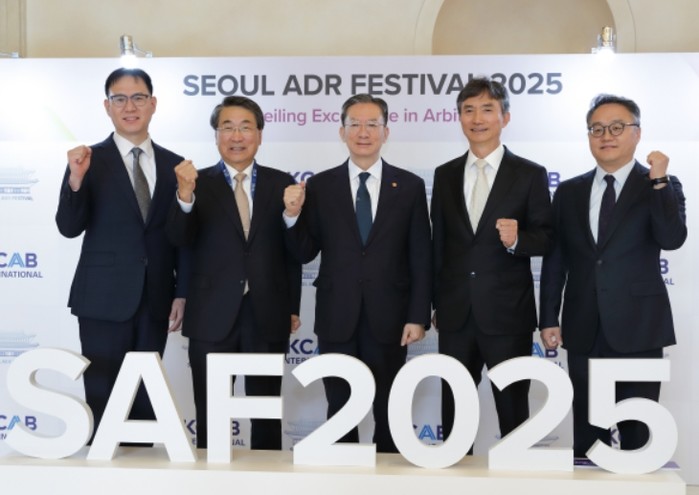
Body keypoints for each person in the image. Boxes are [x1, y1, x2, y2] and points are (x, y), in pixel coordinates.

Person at [539, 94, 687, 458]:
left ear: (637, 133)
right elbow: (556, 260)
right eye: (597, 129)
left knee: (637, 435)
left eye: (617, 127)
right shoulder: (569, 191)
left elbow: (672, 238)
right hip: (584, 327)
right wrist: (548, 318)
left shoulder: (661, 185)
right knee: (589, 436)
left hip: (639, 327)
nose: (606, 135)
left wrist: (658, 181)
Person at [283, 94, 431, 453]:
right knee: (340, 409)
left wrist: (417, 316)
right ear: (342, 131)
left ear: (386, 132)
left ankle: (390, 475)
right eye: (355, 124)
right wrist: (291, 216)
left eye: (372, 124)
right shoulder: (321, 186)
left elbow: (420, 256)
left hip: (390, 318)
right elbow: (304, 251)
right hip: (337, 317)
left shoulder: (409, 186)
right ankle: (342, 474)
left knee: (389, 409)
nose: (363, 132)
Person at [56, 67, 189, 442]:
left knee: (146, 397)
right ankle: (102, 468)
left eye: (138, 98)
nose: (130, 107)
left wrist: (181, 292)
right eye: (120, 99)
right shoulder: (86, 160)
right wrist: (76, 179)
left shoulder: (175, 165)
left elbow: (182, 237)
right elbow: (69, 226)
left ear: (153, 104)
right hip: (102, 299)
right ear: (107, 106)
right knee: (103, 395)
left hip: (155, 298)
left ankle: (141, 468)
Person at [166, 95, 301, 450]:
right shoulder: (195, 183)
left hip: (266, 313)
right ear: (216, 135)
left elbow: (294, 254)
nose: (237, 136)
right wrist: (184, 196)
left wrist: (292, 307)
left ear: (259, 135)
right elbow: (178, 239)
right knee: (211, 413)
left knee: (266, 416)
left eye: (245, 127)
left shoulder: (281, 183)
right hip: (210, 314)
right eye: (228, 127)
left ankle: (267, 477)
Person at [431, 77, 553, 447]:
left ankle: (516, 475)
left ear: (505, 117)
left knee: (514, 413)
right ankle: (454, 472)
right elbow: (438, 245)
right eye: (468, 110)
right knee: (454, 412)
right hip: (455, 314)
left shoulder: (530, 174)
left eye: (487, 109)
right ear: (459, 118)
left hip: (507, 314)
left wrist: (518, 240)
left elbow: (548, 237)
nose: (477, 118)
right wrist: (432, 305)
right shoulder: (444, 175)